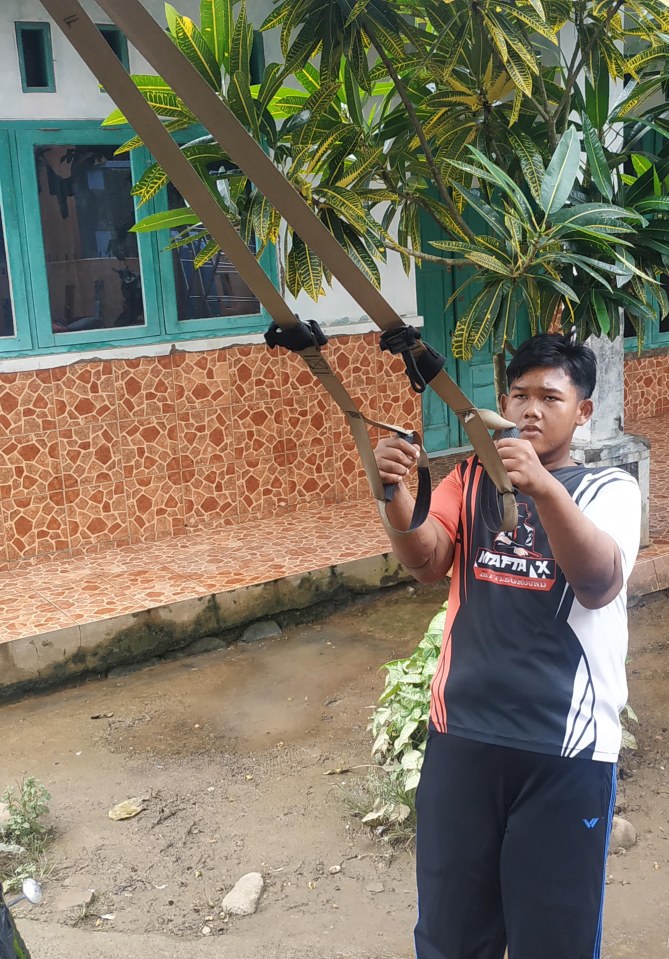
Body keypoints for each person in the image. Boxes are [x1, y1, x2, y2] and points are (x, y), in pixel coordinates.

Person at [374, 332, 641, 959]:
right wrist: (395, 495)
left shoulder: (608, 492)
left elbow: (599, 582)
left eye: (551, 396)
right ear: (500, 403)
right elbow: (426, 559)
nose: (531, 409)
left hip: (564, 749)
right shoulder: (469, 480)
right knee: (451, 931)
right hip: (464, 734)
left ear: (583, 411)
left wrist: (542, 488)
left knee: (552, 935)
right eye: (519, 395)